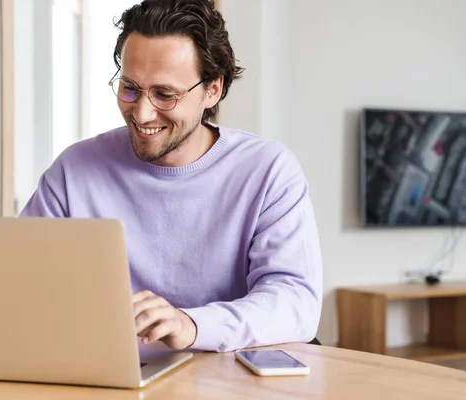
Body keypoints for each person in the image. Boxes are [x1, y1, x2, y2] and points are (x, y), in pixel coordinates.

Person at [20, 0, 322, 353]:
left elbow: (295, 302)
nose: (142, 112)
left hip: (225, 377)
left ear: (212, 90)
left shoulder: (268, 171)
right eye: (130, 87)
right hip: (108, 369)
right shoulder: (74, 170)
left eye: (165, 94)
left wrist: (193, 325)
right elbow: (22, 279)